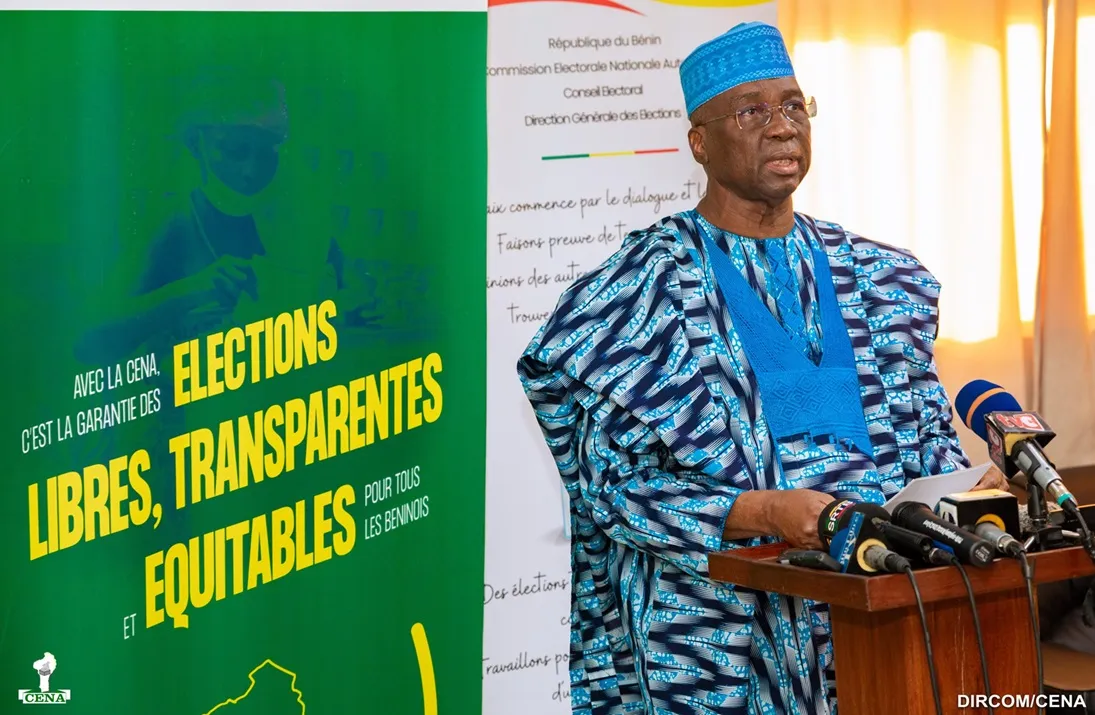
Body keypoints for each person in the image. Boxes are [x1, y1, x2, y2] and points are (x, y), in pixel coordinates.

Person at [517, 22, 1008, 715]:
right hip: (716, 638)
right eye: (752, 111)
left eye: (793, 106)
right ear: (699, 142)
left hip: (882, 615)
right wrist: (764, 512)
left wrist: (968, 487)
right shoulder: (641, 291)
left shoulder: (879, 278)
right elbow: (614, 488)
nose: (782, 127)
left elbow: (928, 440)